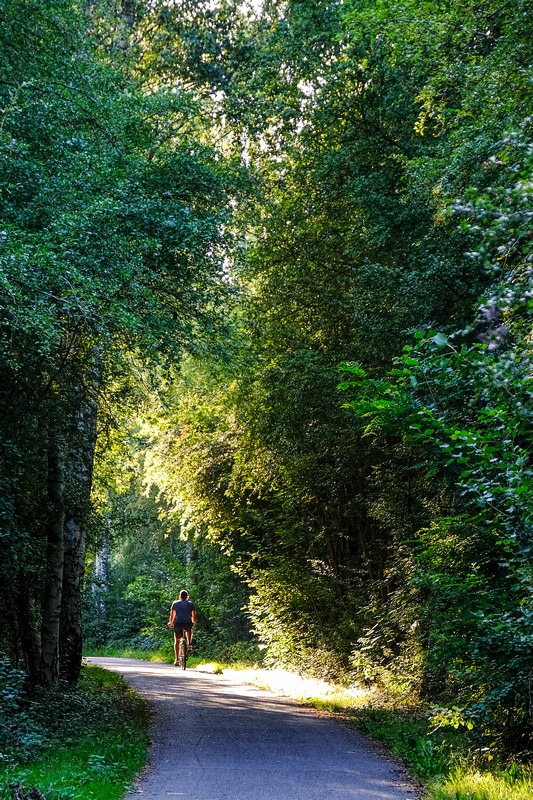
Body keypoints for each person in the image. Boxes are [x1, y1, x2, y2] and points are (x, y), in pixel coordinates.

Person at [168, 589, 197, 666]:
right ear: (187, 597)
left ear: (180, 597)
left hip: (178, 623)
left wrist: (171, 623)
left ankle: (177, 660)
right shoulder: (190, 604)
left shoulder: (175, 603)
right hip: (187, 623)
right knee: (189, 629)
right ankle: (189, 644)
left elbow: (172, 615)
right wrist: (194, 621)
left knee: (177, 641)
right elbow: (193, 615)